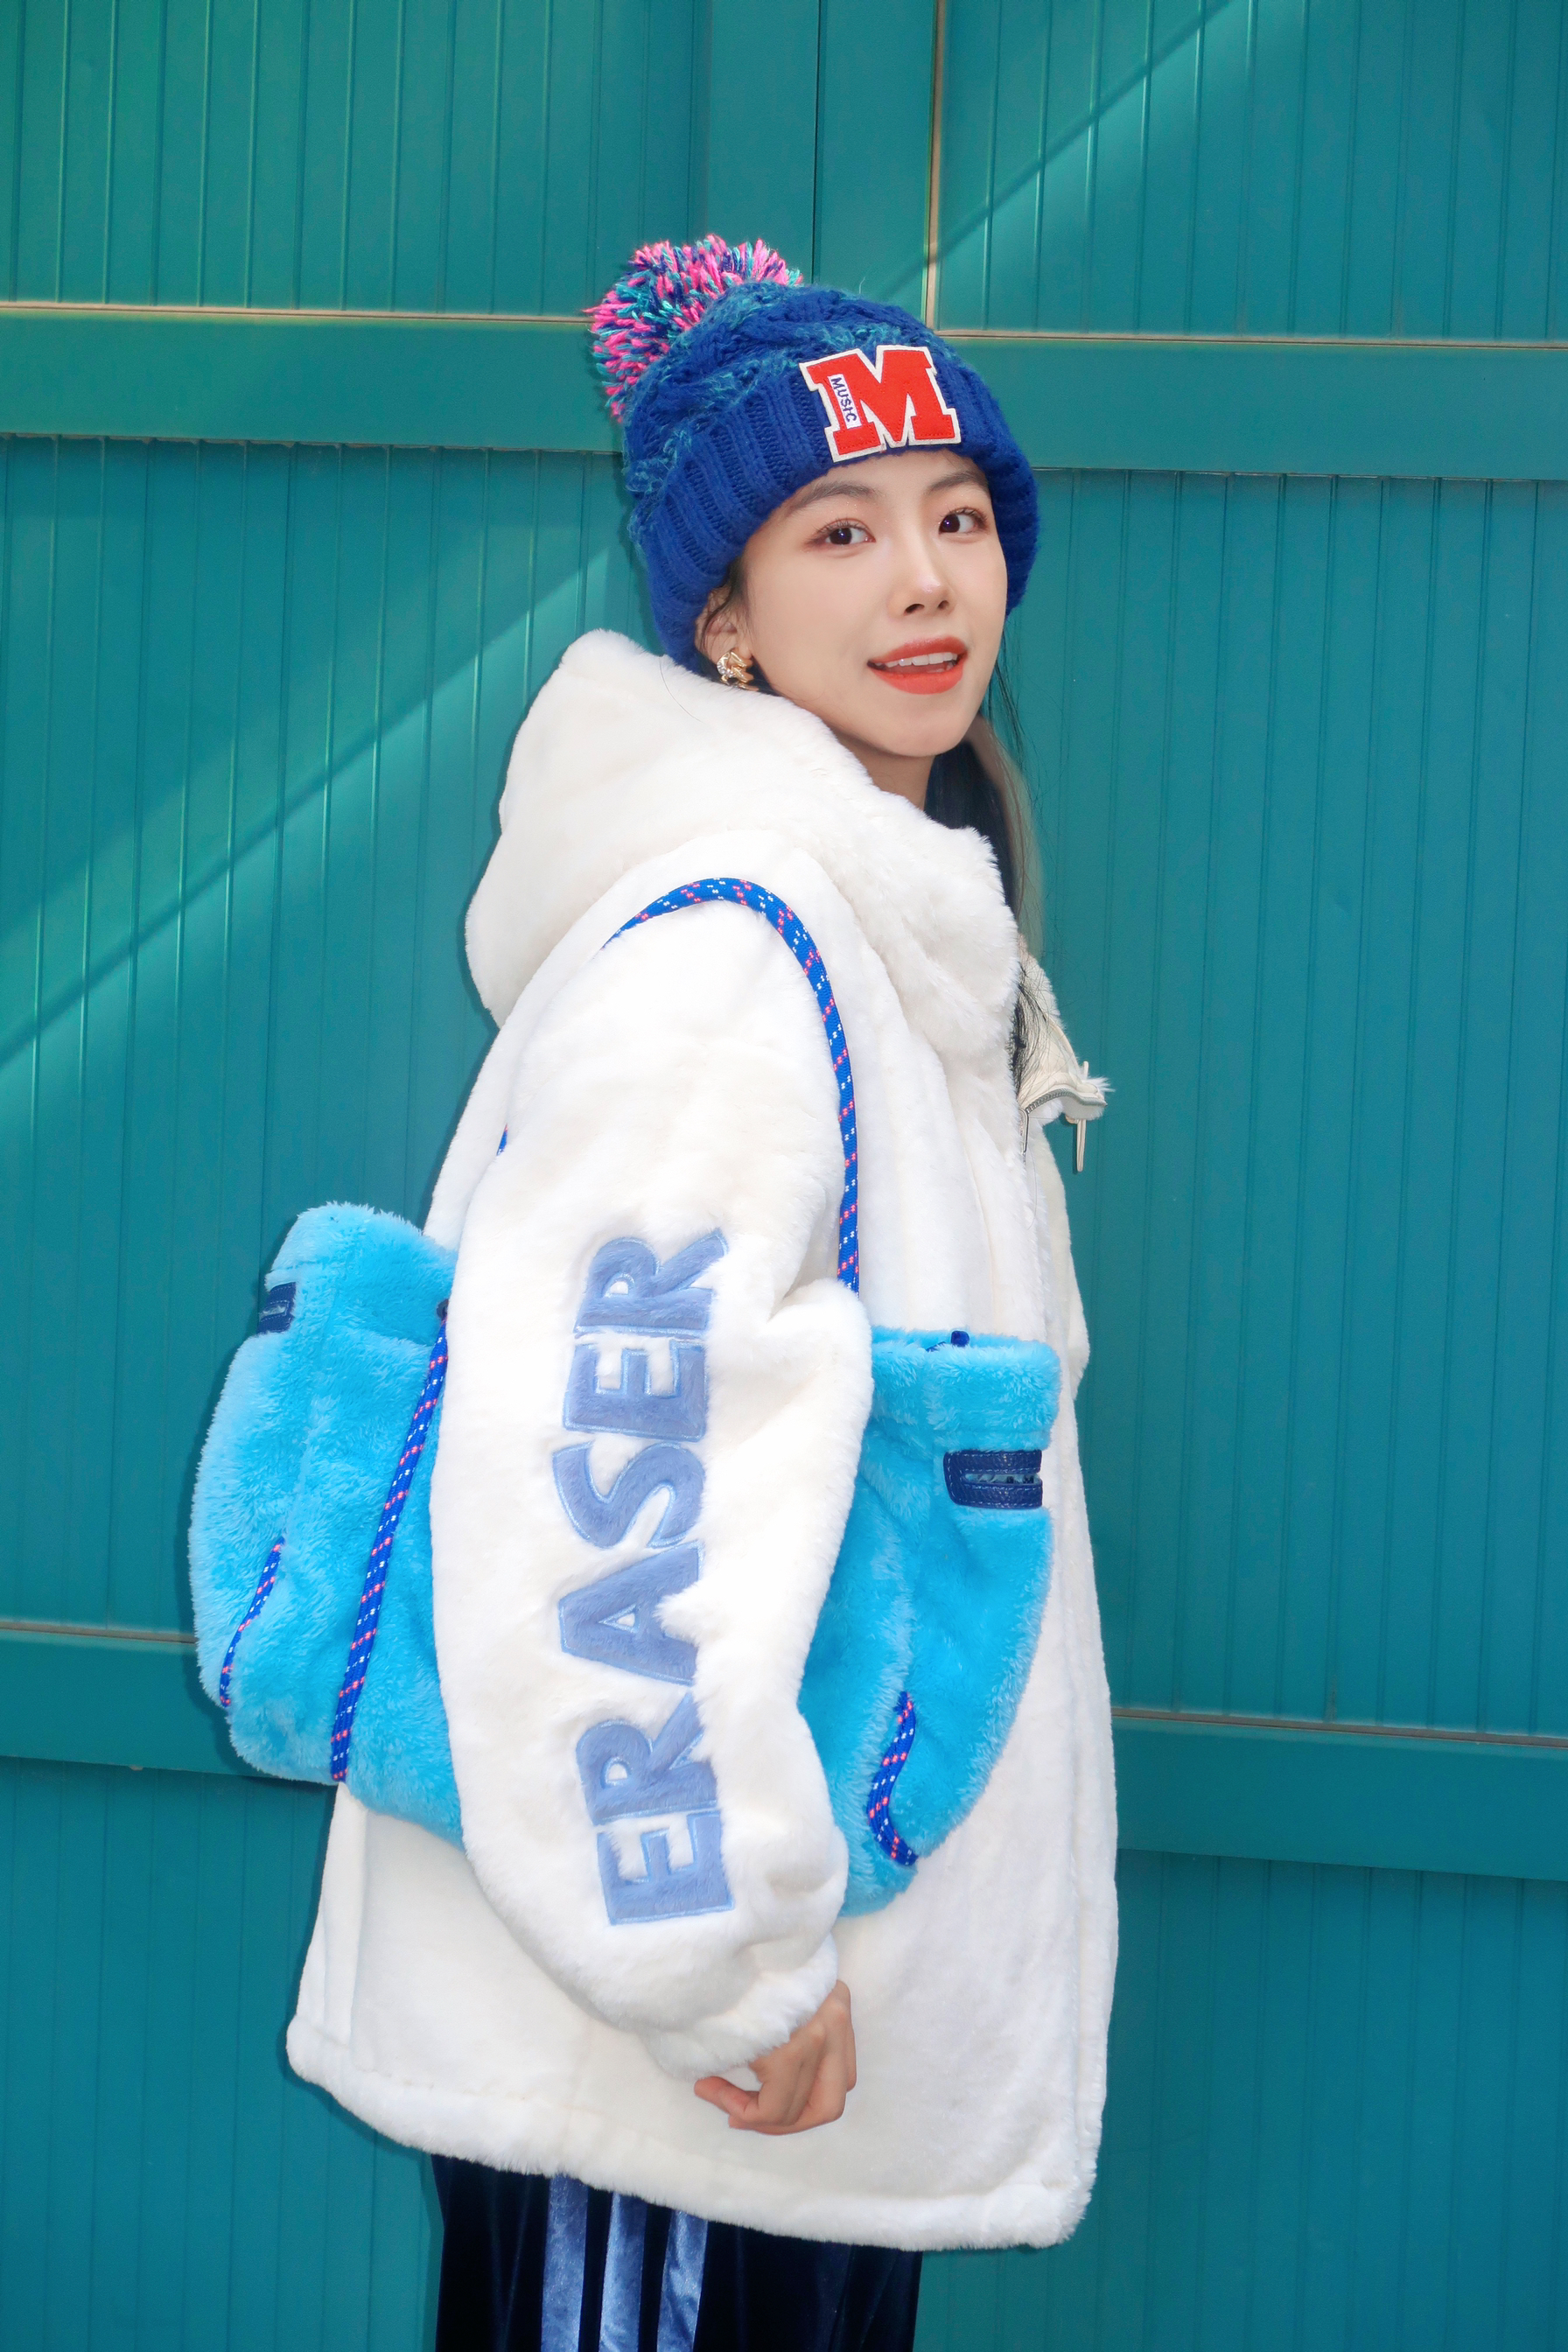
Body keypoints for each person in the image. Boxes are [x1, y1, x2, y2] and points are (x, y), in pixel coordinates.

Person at [285, 236, 1116, 2351]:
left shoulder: (893, 943)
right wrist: (712, 1962)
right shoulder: (733, 958)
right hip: (678, 2064)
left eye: (955, 518)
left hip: (769, 2059)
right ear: (723, 621)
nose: (923, 580)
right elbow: (601, 1477)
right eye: (840, 531)